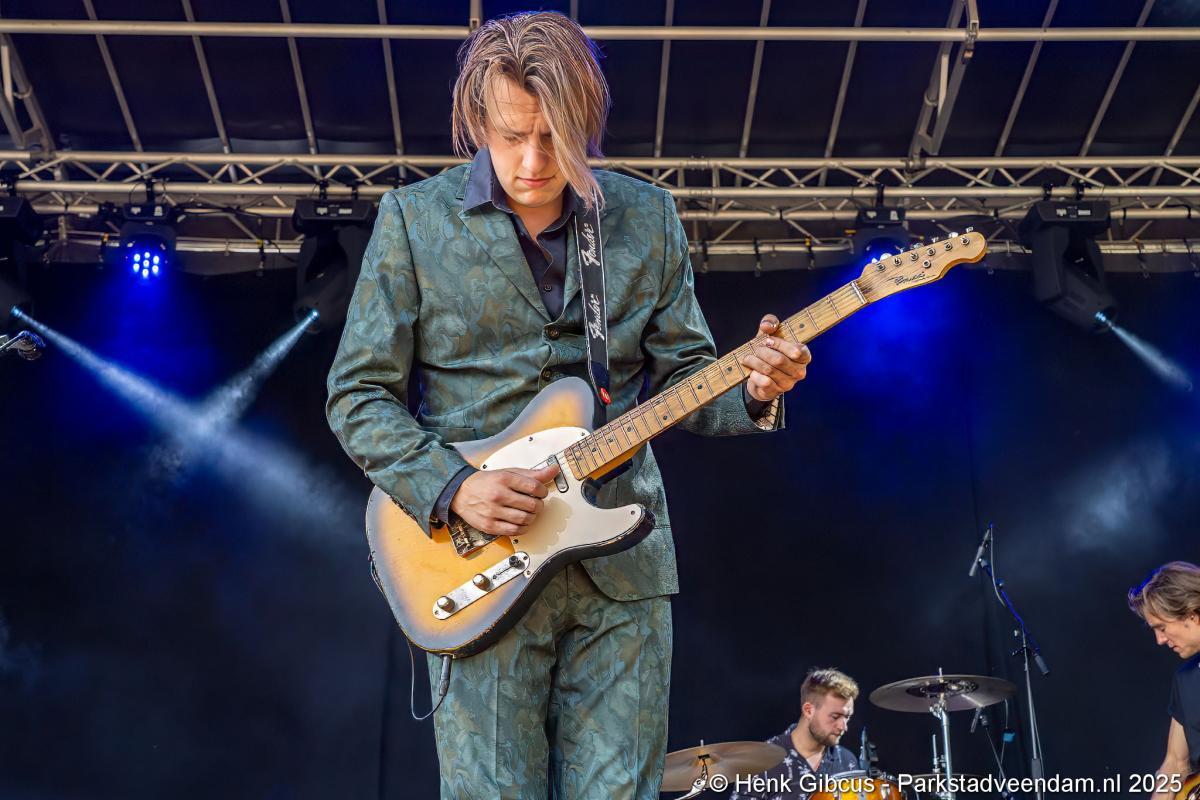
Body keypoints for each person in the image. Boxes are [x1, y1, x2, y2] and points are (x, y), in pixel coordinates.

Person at [325, 12, 811, 799]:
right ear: (477, 119)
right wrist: (452, 487)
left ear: (587, 120)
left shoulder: (645, 217)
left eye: (555, 137)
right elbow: (357, 394)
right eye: (511, 136)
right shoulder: (413, 220)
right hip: (480, 561)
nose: (533, 161)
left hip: (622, 566)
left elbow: (688, 378)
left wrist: (753, 391)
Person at [731, 668, 862, 800]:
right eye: (835, 717)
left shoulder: (847, 760)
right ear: (808, 711)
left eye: (847, 717)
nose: (843, 727)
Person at [1129, 561, 1200, 798]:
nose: (1159, 640)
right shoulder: (1186, 679)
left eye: (1162, 628)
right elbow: (1175, 763)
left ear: (1192, 614)